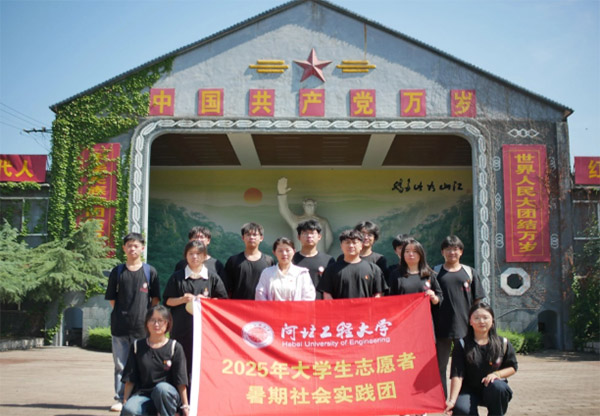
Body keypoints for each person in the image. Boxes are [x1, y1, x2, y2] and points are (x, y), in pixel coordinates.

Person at [105, 233, 161, 413]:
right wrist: (122, 314)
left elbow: (155, 299)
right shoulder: (117, 271)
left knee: (142, 365)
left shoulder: (150, 272)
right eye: (129, 245)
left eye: (136, 245)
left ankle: (139, 398)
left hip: (142, 328)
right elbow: (112, 298)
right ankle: (120, 398)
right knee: (120, 365)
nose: (132, 249)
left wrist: (147, 318)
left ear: (142, 248)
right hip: (120, 327)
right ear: (124, 248)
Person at [163, 240, 228, 378]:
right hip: (181, 329)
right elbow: (167, 301)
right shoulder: (177, 277)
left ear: (204, 256)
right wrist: (182, 299)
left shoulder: (212, 277)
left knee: (202, 364)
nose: (194, 257)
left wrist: (207, 301)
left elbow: (223, 302)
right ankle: (181, 390)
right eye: (191, 253)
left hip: (205, 331)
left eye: (198, 254)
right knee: (181, 363)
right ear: (185, 256)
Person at [433, 235, 486, 398]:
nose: (452, 252)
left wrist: (476, 324)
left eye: (455, 249)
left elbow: (477, 302)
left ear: (461, 251)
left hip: (465, 328)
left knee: (466, 365)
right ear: (442, 252)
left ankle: (464, 398)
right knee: (440, 367)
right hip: (441, 328)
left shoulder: (470, 272)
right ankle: (441, 399)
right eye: (448, 249)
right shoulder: (435, 272)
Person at [444, 303, 517, 416]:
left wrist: (497, 374)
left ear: (492, 320)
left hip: (493, 390)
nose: (481, 321)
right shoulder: (462, 344)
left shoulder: (503, 343)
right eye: (477, 318)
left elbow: (512, 367)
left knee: (499, 388)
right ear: (470, 321)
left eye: (485, 317)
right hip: (469, 390)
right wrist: (452, 401)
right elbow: (457, 375)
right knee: (461, 410)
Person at [121, 305, 189, 416]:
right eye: (152, 320)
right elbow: (130, 378)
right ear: (147, 323)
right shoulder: (137, 346)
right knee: (130, 410)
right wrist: (125, 402)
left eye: (160, 321)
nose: (156, 324)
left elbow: (181, 380)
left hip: (166, 395)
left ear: (167, 323)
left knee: (161, 389)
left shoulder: (175, 347)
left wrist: (185, 406)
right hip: (143, 396)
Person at [317, 229, 388, 299]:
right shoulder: (331, 269)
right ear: (341, 246)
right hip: (339, 307)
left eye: (354, 242)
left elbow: (378, 294)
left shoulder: (374, 269)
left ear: (361, 246)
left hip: (366, 307)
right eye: (347, 242)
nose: (351, 245)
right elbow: (327, 294)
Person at [277, 176, 333, 253]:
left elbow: (329, 240)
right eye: (307, 205)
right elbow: (284, 210)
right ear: (303, 206)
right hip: (300, 256)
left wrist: (322, 252)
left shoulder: (323, 221)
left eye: (311, 205)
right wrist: (282, 194)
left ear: (315, 206)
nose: (309, 207)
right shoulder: (296, 221)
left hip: (319, 255)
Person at [223, 222, 275, 299]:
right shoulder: (233, 261)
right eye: (248, 235)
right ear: (243, 237)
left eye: (254, 235)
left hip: (262, 304)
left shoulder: (269, 261)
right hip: (238, 305)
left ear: (261, 238)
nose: (251, 237)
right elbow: (226, 288)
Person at [388, 238, 443, 308]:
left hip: (423, 313)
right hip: (404, 313)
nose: (411, 254)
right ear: (403, 254)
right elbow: (390, 299)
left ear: (420, 254)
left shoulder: (428, 274)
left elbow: (439, 296)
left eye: (414, 251)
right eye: (407, 251)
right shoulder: (395, 275)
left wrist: (434, 297)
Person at [292, 219, 335, 299]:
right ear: (298, 237)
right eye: (305, 233)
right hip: (297, 303)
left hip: (320, 304)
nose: (309, 236)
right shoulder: (291, 260)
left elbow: (332, 287)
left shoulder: (328, 260)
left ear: (319, 237)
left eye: (312, 233)